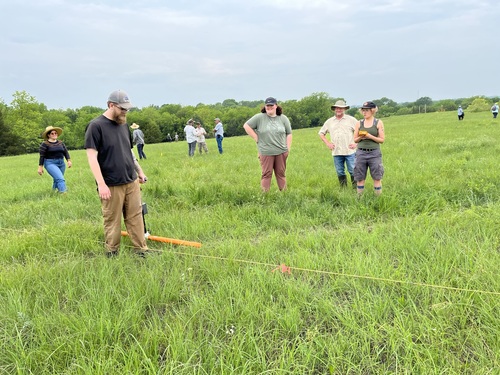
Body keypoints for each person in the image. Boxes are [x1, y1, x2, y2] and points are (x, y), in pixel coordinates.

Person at [84, 89, 149, 257]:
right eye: (122, 108)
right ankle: (112, 252)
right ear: (111, 105)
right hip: (111, 184)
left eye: (127, 109)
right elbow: (92, 157)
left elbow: (129, 151)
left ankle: (141, 250)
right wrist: (101, 183)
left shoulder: (123, 125)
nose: (125, 112)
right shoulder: (96, 126)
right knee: (112, 220)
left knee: (135, 217)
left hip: (131, 180)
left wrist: (139, 171)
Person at [243, 97, 292, 192]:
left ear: (276, 106)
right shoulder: (259, 117)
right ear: (265, 106)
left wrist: (287, 149)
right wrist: (256, 137)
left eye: (271, 105)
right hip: (266, 151)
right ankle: (265, 196)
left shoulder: (283, 118)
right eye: (267, 105)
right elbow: (246, 126)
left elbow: (289, 133)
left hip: (281, 151)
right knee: (266, 174)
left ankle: (285, 194)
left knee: (281, 173)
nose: (269, 107)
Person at [318, 100, 357, 188]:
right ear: (334, 109)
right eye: (337, 108)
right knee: (340, 171)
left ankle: (356, 190)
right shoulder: (329, 121)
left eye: (341, 108)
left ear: (344, 109)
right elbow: (321, 133)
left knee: (353, 170)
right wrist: (328, 143)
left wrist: (356, 144)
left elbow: (361, 132)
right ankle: (343, 189)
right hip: (336, 152)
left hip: (349, 151)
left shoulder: (351, 120)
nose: (339, 110)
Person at [353, 101, 385, 196]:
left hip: (374, 153)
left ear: (372, 110)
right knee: (360, 177)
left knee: (377, 177)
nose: (364, 112)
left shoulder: (378, 122)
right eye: (363, 110)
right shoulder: (359, 123)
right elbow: (355, 140)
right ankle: (359, 198)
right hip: (361, 153)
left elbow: (382, 140)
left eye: (366, 110)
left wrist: (370, 136)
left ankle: (378, 198)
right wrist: (361, 137)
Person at [38, 126, 72, 194]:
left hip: (61, 163)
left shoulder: (60, 143)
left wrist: (68, 160)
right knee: (60, 179)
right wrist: (40, 167)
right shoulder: (44, 144)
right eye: (52, 133)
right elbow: (42, 156)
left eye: (55, 133)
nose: (54, 134)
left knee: (57, 179)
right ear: (48, 135)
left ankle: (54, 192)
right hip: (50, 163)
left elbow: (65, 152)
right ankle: (63, 193)